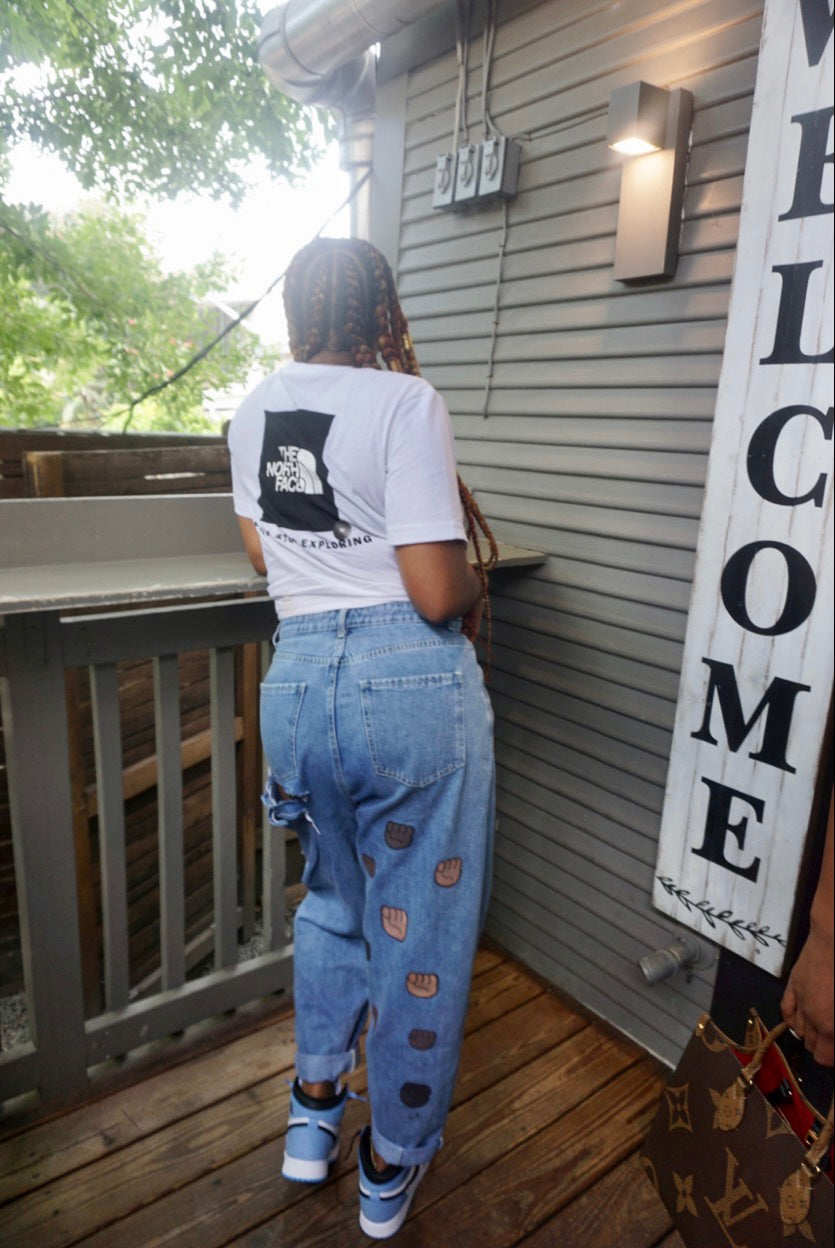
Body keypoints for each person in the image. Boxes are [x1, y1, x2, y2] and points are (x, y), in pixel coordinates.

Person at [227, 236, 497, 1240]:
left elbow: (266, 548)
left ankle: (310, 1121)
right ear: (384, 311)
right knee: (417, 937)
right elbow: (432, 587)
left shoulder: (255, 409)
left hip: (297, 684)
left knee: (333, 906)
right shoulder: (403, 402)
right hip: (407, 686)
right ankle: (389, 1164)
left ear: (295, 309)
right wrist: (472, 583)